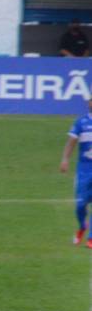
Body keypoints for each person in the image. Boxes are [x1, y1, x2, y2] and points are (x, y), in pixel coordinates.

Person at [60, 97, 92, 247]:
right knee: (80, 205)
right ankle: (82, 226)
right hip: (84, 170)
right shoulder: (81, 122)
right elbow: (71, 142)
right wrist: (65, 159)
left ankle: (91, 238)